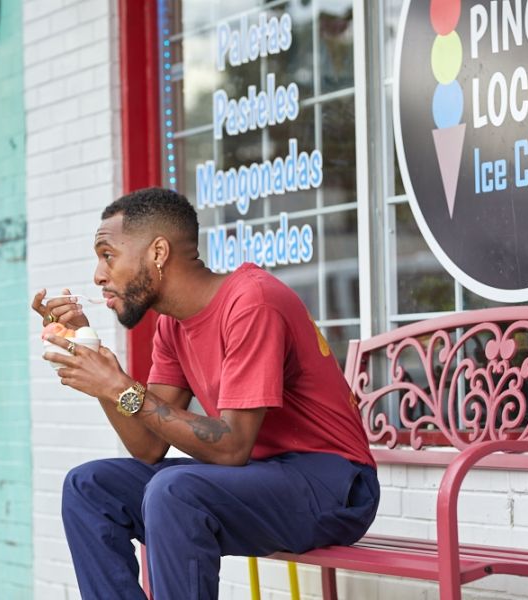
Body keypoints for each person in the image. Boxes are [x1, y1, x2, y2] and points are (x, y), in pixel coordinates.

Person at [31, 187, 378, 600]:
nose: (98, 275)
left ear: (158, 253)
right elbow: (148, 447)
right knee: (88, 486)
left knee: (175, 492)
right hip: (256, 477)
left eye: (108, 255)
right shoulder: (172, 325)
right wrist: (94, 356)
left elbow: (232, 447)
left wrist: (118, 385)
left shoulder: (252, 302)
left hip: (333, 484)